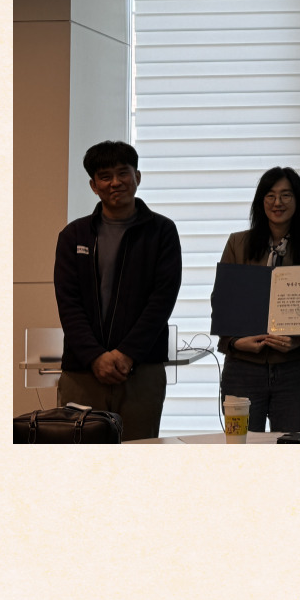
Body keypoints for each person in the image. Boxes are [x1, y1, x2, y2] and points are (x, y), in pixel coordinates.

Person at [53, 140, 182, 440]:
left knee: (139, 454)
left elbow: (162, 300)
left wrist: (127, 354)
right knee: (80, 458)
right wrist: (95, 357)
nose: (115, 182)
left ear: (138, 177)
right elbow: (68, 303)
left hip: (142, 370)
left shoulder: (161, 232)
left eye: (123, 173)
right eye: (105, 176)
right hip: (82, 371)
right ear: (93, 186)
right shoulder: (74, 235)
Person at [217, 167, 300, 433]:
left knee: (289, 448)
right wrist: (234, 342)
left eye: (286, 195)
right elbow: (222, 300)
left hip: (291, 370)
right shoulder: (237, 243)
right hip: (242, 367)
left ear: (297, 201)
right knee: (240, 447)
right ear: (260, 201)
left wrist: (298, 342)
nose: (278, 202)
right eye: (270, 195)